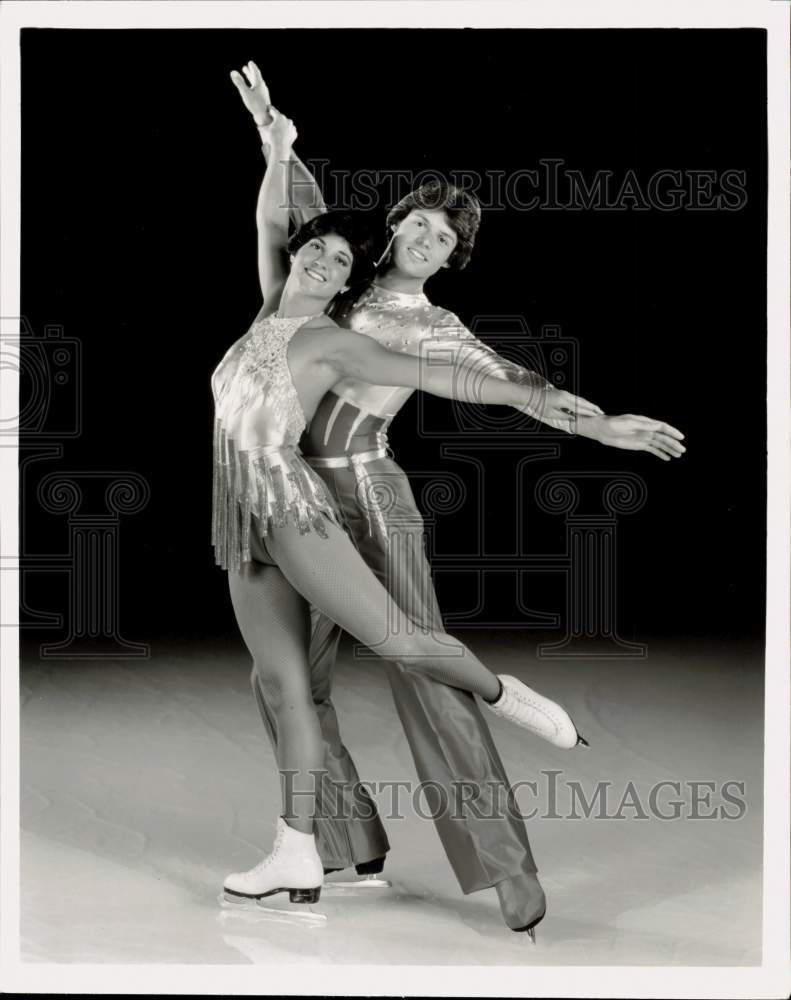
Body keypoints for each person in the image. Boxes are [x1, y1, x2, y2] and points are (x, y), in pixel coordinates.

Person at [226, 63, 686, 938]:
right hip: (291, 498)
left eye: (443, 241)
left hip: (370, 492)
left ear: (451, 258)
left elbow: (506, 383)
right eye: (417, 227)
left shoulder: (436, 327)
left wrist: (594, 427)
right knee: (283, 679)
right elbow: (296, 223)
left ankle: (511, 876)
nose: (426, 245)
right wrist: (274, 143)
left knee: (423, 671)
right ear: (392, 227)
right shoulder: (333, 286)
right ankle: (344, 845)